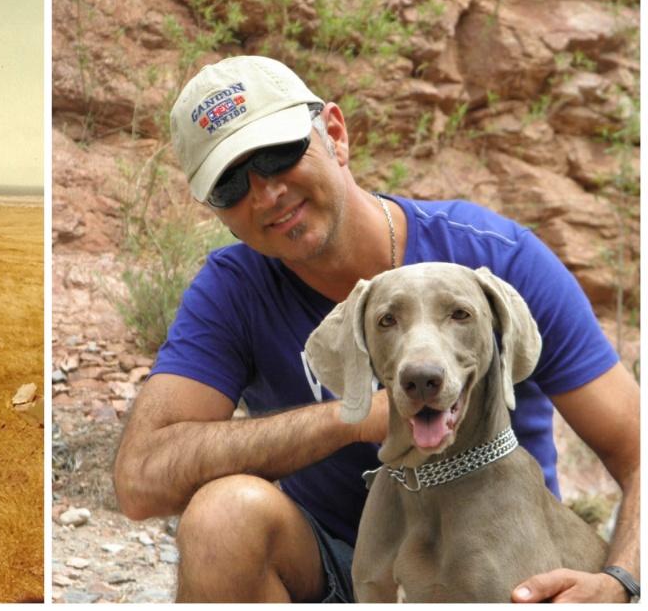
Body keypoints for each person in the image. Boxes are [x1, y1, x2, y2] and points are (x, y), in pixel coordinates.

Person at [112, 56, 639, 602]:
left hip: (500, 562)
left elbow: (638, 447)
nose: (266, 195)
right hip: (343, 564)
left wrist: (623, 580)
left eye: (278, 155)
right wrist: (353, 415)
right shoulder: (233, 291)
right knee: (225, 516)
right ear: (211, 207)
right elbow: (142, 479)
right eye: (230, 185)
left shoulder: (495, 259)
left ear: (335, 135)